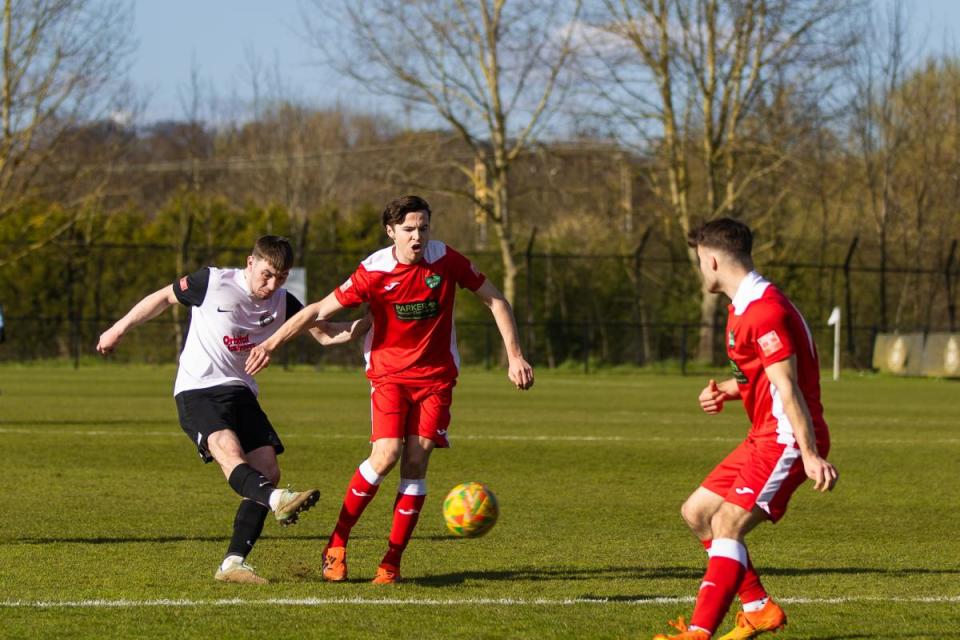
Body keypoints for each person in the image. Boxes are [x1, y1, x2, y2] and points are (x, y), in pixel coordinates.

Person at [245, 195, 534, 584]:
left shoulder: (447, 260)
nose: (418, 237)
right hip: (388, 375)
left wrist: (515, 356)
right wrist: (270, 344)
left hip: (436, 378)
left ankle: (391, 563)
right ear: (391, 231)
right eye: (409, 229)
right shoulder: (374, 271)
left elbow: (496, 300)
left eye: (424, 228)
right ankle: (337, 544)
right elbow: (317, 311)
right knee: (386, 454)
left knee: (416, 462)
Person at [97, 235, 368, 585]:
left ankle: (233, 564)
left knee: (267, 468)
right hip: (198, 389)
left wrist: (373, 320)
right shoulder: (211, 282)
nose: (272, 285)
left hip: (240, 393)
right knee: (228, 450)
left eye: (281, 278)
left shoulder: (284, 302)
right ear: (250, 262)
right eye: (267, 274)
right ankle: (278, 500)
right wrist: (118, 328)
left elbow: (327, 333)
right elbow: (164, 297)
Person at [654, 219, 838, 640]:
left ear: (713, 260)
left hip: (787, 438)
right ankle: (757, 608)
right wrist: (723, 389)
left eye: (701, 262)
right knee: (697, 513)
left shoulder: (764, 312)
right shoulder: (744, 306)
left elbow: (787, 386)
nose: (701, 270)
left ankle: (698, 632)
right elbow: (758, 376)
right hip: (764, 434)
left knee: (728, 524)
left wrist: (809, 455)